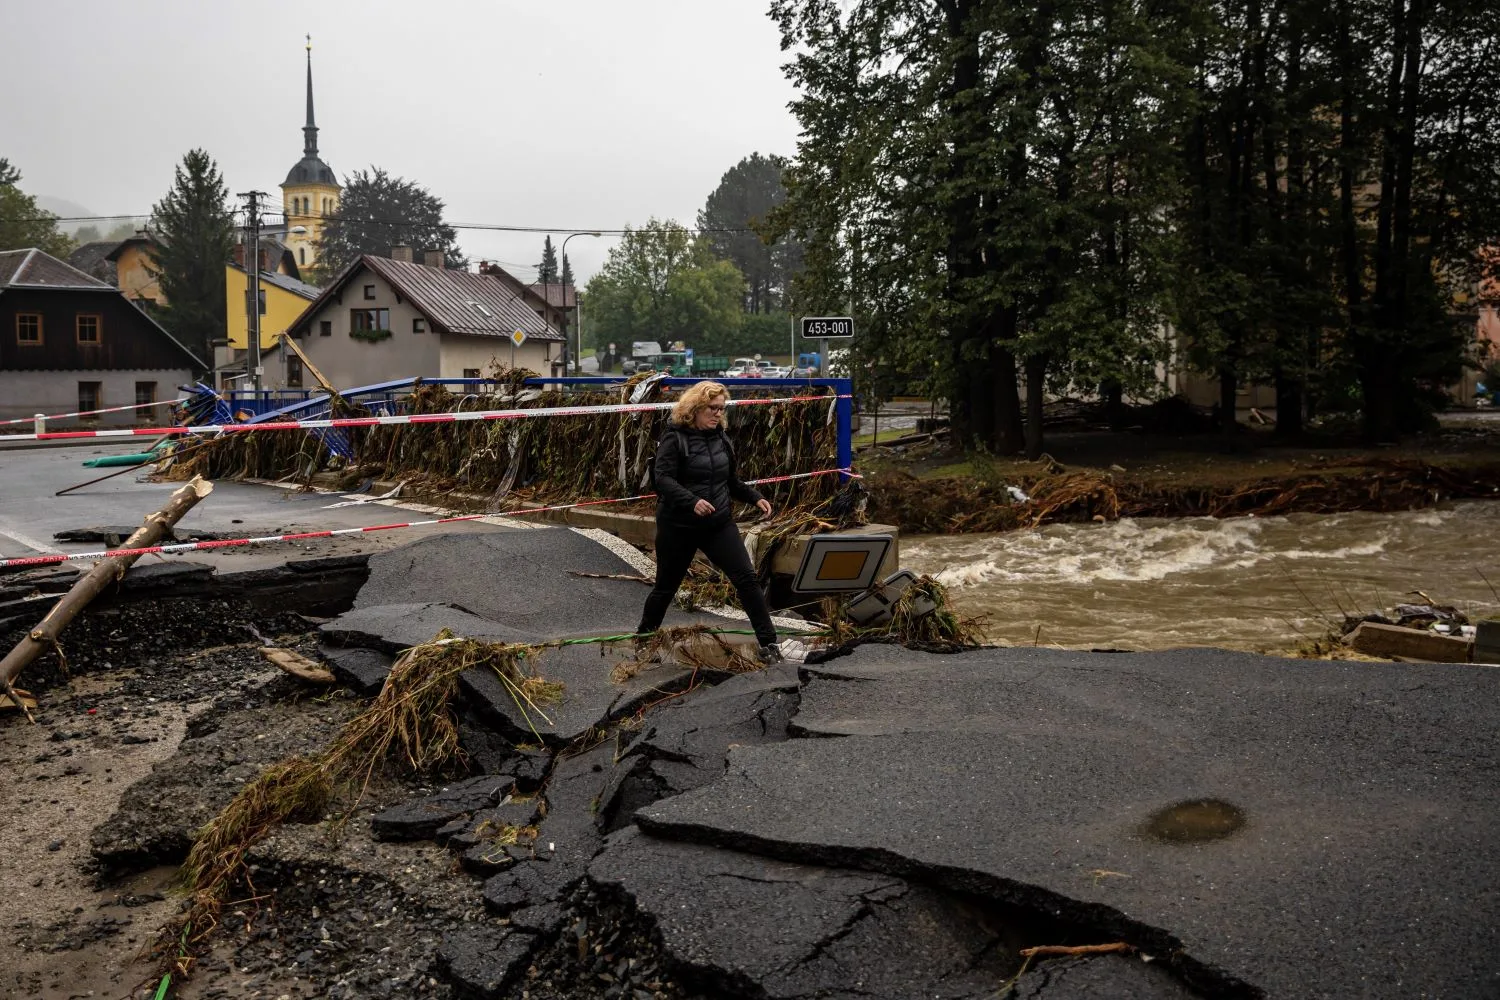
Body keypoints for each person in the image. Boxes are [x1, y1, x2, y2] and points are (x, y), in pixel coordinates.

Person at [636, 380, 782, 662]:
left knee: (748, 580)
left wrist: (754, 497)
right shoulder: (674, 437)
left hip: (717, 524)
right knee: (666, 587)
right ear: (695, 408)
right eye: (712, 408)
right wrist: (691, 501)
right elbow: (662, 480)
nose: (717, 414)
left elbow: (730, 481)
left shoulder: (721, 439)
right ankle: (644, 639)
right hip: (679, 526)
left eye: (721, 409)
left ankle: (768, 643)